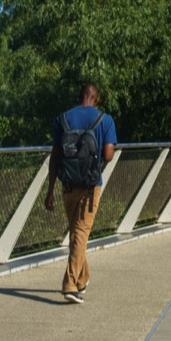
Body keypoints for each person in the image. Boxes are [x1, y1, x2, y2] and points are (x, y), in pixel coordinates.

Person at [45, 83, 117, 304]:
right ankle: (69, 285)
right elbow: (108, 156)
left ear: (80, 97)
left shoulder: (63, 119)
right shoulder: (104, 120)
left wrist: (49, 191)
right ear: (96, 98)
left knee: (77, 234)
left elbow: (55, 156)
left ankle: (83, 278)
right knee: (81, 233)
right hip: (90, 185)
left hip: (67, 184)